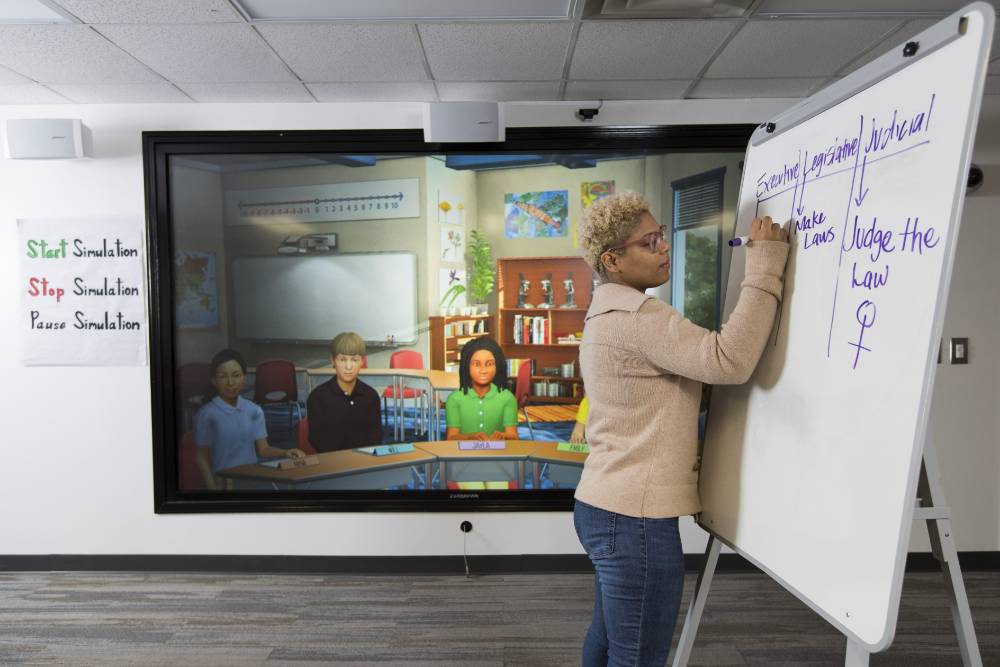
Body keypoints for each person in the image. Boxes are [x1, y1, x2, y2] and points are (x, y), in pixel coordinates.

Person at [574, 191, 788, 666]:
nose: (664, 247)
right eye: (649, 242)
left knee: (609, 642)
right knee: (639, 657)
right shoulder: (640, 317)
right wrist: (766, 266)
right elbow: (727, 360)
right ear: (613, 259)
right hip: (635, 518)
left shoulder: (603, 313)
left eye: (661, 236)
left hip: (603, 503)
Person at [194, 349, 305, 490]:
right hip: (225, 482)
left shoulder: (253, 410)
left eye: (236, 375)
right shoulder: (207, 414)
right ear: (214, 381)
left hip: (252, 478)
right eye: (223, 377)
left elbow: (263, 450)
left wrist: (284, 452)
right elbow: (201, 457)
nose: (230, 382)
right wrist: (212, 489)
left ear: (244, 378)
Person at [308, 331, 383, 452]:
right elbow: (316, 439)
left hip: (364, 462)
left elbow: (376, 438)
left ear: (362, 361)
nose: (348, 367)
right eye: (342, 360)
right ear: (333, 361)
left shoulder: (371, 396)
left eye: (354, 360)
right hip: (332, 463)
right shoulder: (318, 397)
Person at [445, 337, 519, 441]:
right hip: (464, 455)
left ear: (497, 366)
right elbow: (451, 437)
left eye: (489, 364)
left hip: (498, 454)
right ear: (467, 366)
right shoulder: (454, 399)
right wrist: (470, 437)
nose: (483, 370)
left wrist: (503, 436)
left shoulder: (507, 398)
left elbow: (514, 436)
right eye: (476, 364)